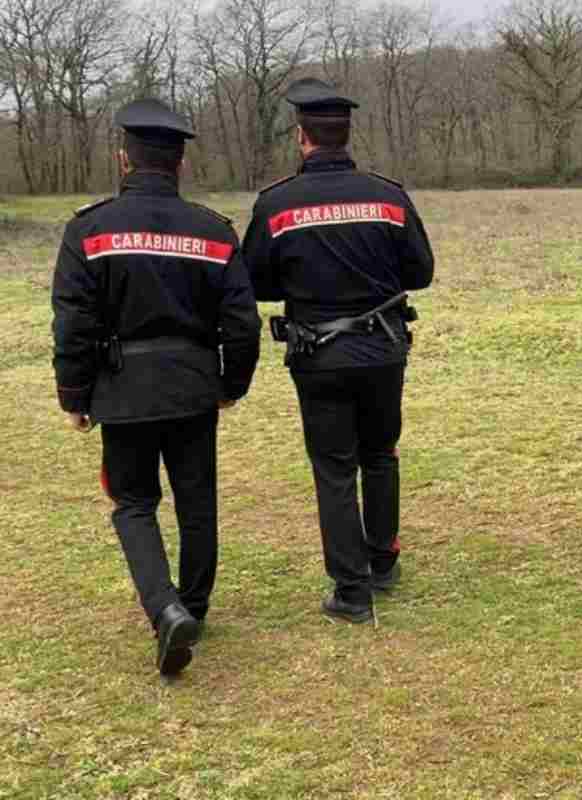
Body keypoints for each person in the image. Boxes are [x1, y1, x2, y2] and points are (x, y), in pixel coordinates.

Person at [51, 98, 261, 676]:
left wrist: (74, 396)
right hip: (195, 386)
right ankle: (191, 605)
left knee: (133, 503)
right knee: (197, 502)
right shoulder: (213, 231)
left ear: (125, 159)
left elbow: (74, 321)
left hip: (122, 390)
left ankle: (165, 609)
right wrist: (231, 385)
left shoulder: (88, 230)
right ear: (181, 166)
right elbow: (241, 321)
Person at [242, 78, 435, 624]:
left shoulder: (276, 203)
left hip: (318, 355)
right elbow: (421, 272)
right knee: (380, 453)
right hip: (383, 349)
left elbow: (254, 281)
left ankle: (352, 592)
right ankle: (382, 562)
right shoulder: (390, 197)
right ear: (345, 135)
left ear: (302, 137)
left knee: (333, 468)